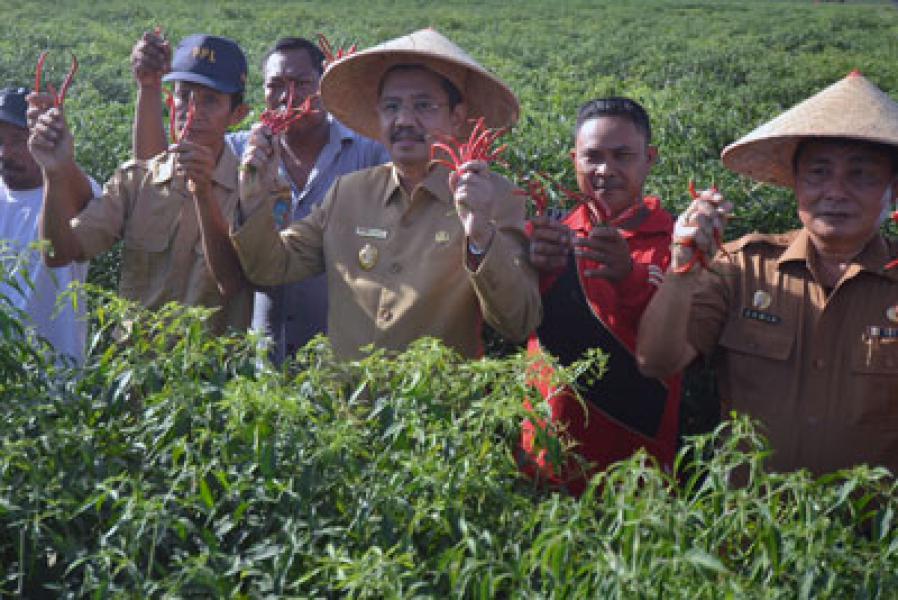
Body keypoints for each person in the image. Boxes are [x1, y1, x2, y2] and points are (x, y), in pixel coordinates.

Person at [637, 70, 898, 476]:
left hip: (875, 533)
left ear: (892, 190)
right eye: (818, 172)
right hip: (752, 528)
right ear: (795, 182)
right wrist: (682, 268)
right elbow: (657, 360)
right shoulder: (742, 267)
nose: (835, 191)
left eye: (861, 174)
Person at [232, 28, 541, 359]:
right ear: (378, 115)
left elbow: (518, 321)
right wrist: (253, 197)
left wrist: (481, 235)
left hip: (437, 405)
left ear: (456, 117)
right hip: (343, 405)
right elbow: (271, 267)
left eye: (423, 106)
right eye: (391, 106)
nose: (404, 120)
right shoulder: (348, 192)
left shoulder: (495, 197)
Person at [130, 32, 389, 361]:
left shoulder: (368, 152)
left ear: (326, 87)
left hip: (346, 353)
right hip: (260, 353)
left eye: (303, 83)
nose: (288, 96)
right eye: (276, 85)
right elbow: (155, 166)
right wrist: (149, 88)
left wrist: (354, 104)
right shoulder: (238, 150)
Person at [30, 34, 253, 334]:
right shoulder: (136, 179)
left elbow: (234, 282)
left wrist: (203, 194)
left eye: (210, 100)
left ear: (238, 114)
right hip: (134, 371)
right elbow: (58, 254)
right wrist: (54, 173)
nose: (192, 110)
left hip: (212, 377)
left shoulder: (252, 190)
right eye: (184, 95)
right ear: (170, 101)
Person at [519, 98, 681, 495]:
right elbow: (509, 318)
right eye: (592, 157)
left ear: (649, 159)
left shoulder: (678, 243)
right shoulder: (549, 233)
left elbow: (675, 344)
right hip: (545, 456)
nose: (605, 170)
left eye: (623, 156)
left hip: (637, 464)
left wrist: (630, 276)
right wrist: (527, 266)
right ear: (574, 159)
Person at [0, 87, 100, 363]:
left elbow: (86, 202)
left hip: (55, 376)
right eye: (0, 140)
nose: (5, 152)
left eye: (19, 141)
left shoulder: (72, 190)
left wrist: (59, 164)